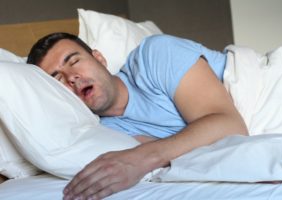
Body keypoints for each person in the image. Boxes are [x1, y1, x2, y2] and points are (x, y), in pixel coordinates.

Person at [27, 32, 248, 200]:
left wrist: (142, 158)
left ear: (99, 59)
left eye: (74, 61)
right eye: (58, 79)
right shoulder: (103, 133)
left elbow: (230, 127)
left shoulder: (155, 55)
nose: (72, 77)